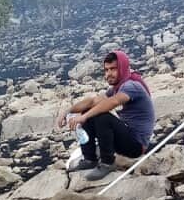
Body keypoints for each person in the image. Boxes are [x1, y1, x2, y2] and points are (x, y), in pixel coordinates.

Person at [55, 50, 155, 181]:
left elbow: (113, 102)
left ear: (123, 68)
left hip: (136, 145)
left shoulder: (131, 86)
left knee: (103, 117)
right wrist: (67, 111)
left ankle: (108, 163)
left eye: (113, 69)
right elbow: (92, 101)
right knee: (88, 111)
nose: (109, 74)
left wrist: (83, 117)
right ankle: (90, 159)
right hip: (126, 137)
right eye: (106, 70)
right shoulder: (116, 88)